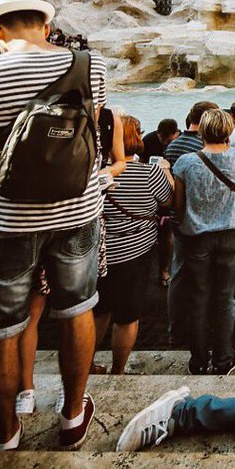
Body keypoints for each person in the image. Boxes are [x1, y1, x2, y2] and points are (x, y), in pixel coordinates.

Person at [0, 0, 109, 451]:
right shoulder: (89, 65)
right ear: (45, 23)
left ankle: (6, 432)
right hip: (77, 209)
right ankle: (73, 417)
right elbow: (86, 133)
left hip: (8, 217)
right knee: (78, 310)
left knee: (0, 328)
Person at [171, 109, 235, 376]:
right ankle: (224, 357)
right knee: (225, 296)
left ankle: (198, 359)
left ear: (202, 132)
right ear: (228, 131)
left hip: (197, 236)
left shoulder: (185, 163)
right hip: (231, 233)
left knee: (199, 296)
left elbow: (179, 206)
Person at [95, 115, 173, 375]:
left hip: (99, 252)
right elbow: (166, 202)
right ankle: (118, 370)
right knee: (127, 316)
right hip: (135, 253)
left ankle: (87, 364)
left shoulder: (93, 176)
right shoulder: (150, 173)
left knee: (98, 310)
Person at [163, 101, 219, 343]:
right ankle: (204, 328)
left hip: (179, 219)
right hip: (201, 219)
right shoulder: (203, 145)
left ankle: (175, 328)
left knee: (180, 272)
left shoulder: (174, 145)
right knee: (206, 277)